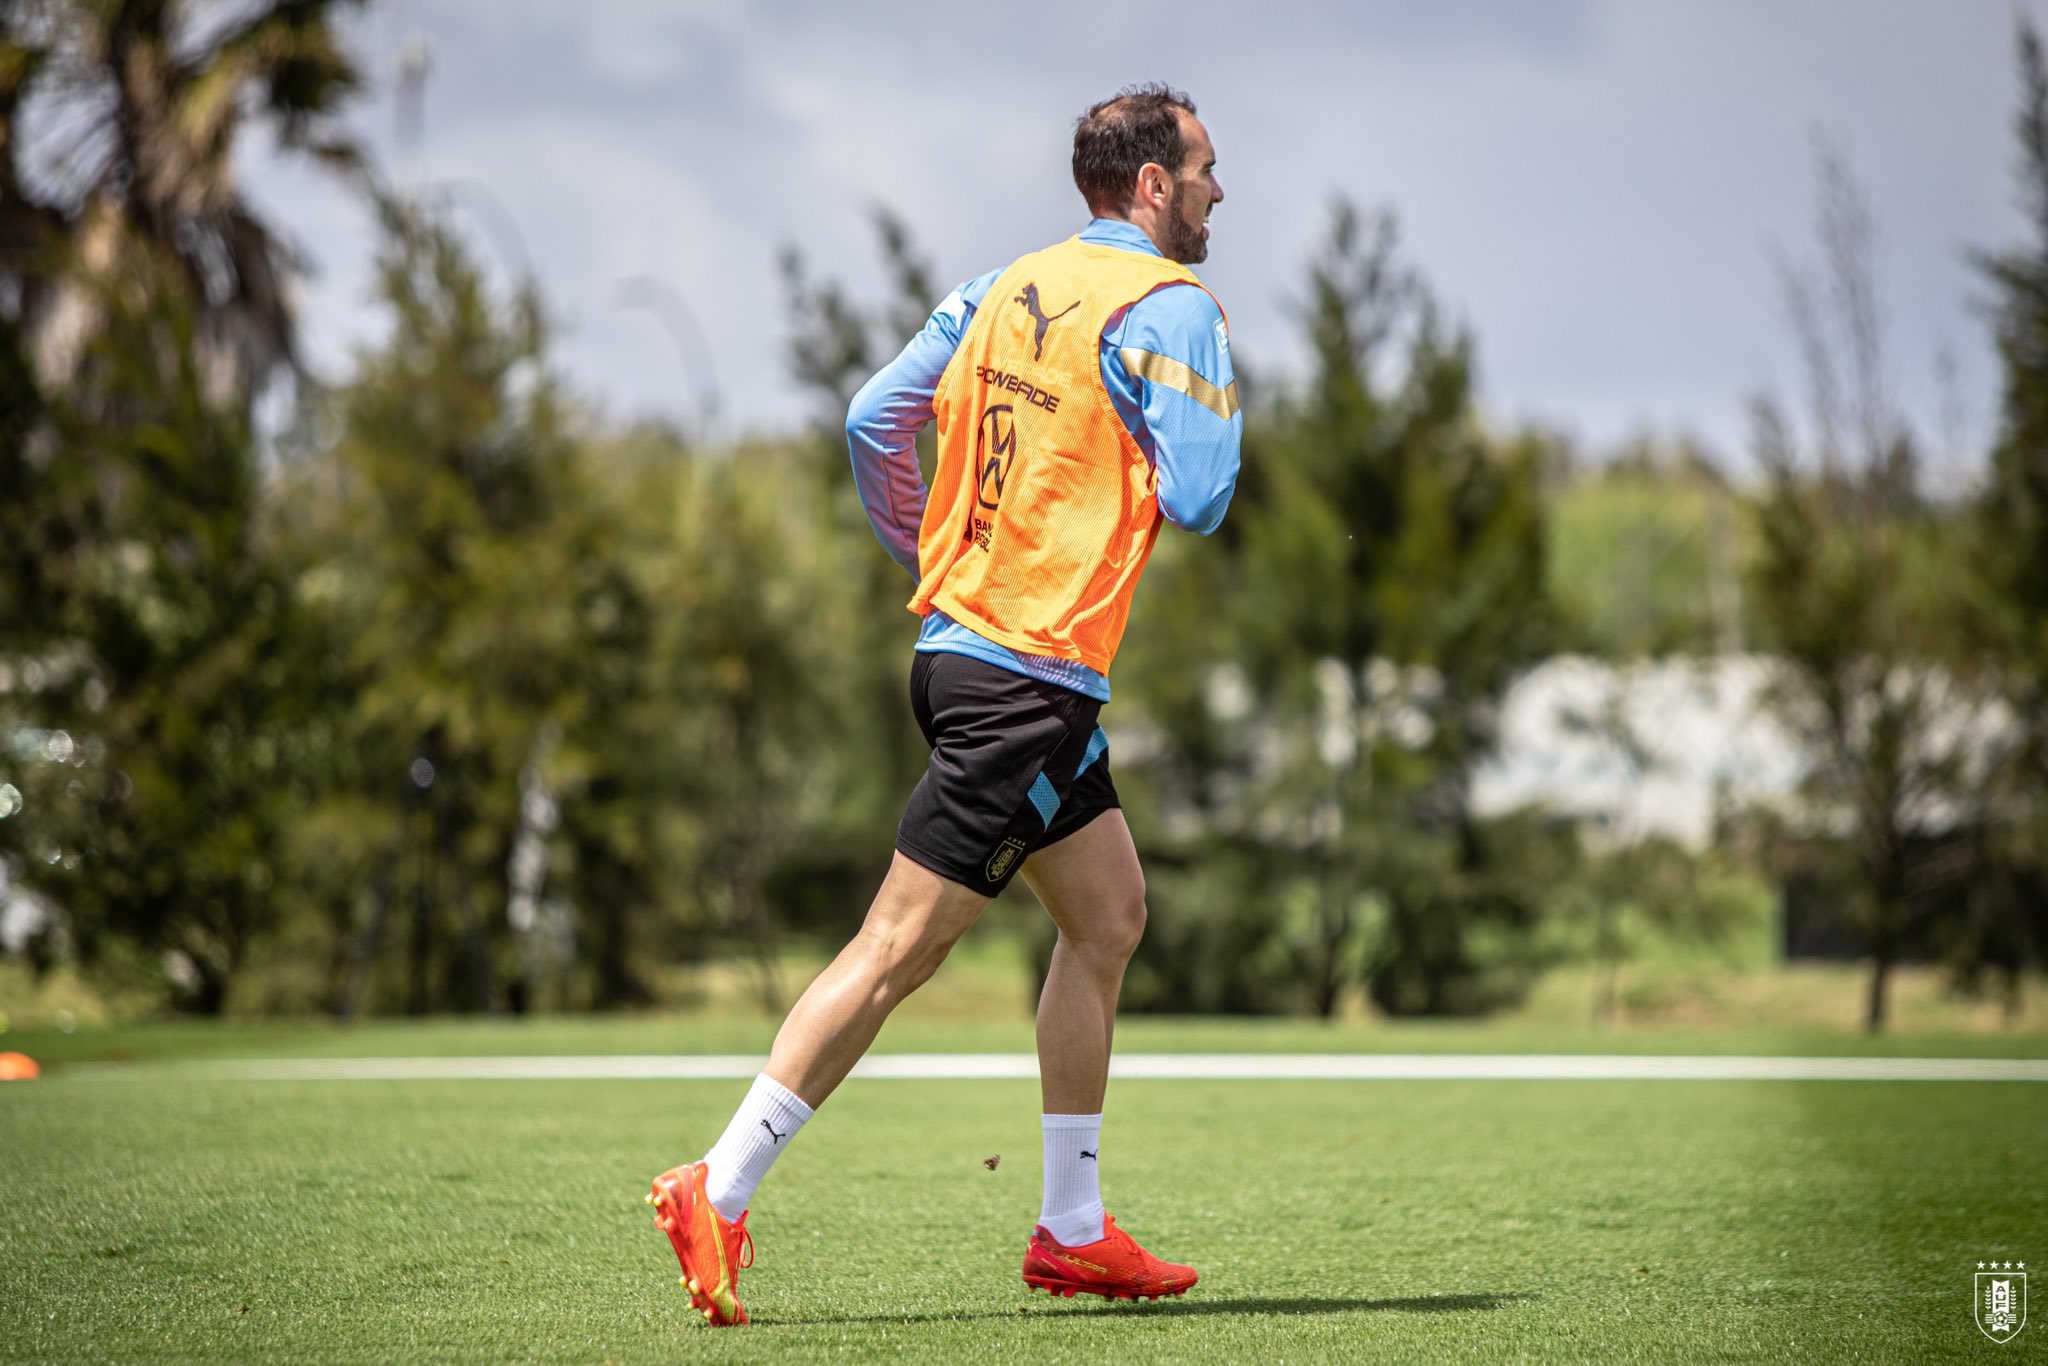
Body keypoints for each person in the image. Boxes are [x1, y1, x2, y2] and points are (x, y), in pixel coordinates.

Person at [647, 82, 1240, 1327]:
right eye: (1201, 173)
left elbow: (873, 417)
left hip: (970, 659)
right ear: (1148, 186)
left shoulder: (1000, 288)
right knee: (896, 948)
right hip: (1026, 679)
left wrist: (923, 555)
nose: (1215, 194)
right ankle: (719, 1183)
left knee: (1110, 913)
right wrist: (1188, 383)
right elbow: (1199, 497)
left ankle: (1071, 1228)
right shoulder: (1171, 309)